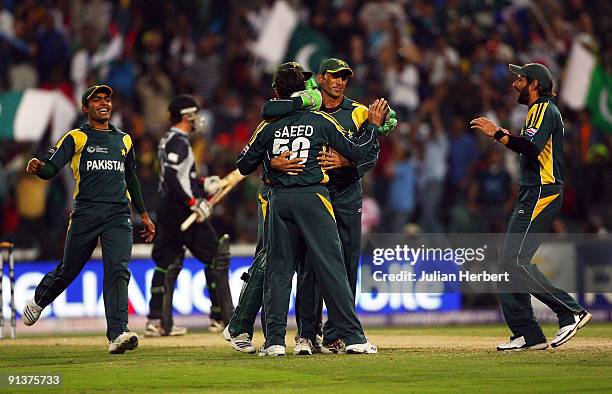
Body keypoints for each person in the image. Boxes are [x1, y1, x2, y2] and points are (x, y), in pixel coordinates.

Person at [237, 64, 389, 356]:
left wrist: (270, 162)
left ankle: (275, 343)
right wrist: (372, 125)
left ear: (277, 91)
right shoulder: (320, 121)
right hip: (313, 198)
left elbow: (243, 164)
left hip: (279, 200)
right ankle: (353, 338)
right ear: (306, 91)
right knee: (332, 267)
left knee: (279, 272)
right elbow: (358, 153)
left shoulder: (269, 125)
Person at [22, 84, 156, 354]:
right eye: (97, 100)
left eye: (107, 99)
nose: (104, 103)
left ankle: (118, 333)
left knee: (118, 270)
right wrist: (39, 168)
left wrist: (143, 214)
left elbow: (131, 178)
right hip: (86, 213)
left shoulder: (124, 140)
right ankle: (39, 299)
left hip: (118, 214)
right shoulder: (76, 137)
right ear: (86, 108)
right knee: (68, 270)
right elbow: (51, 168)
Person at [470, 63, 591, 351]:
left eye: (519, 79)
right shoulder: (538, 111)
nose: (514, 84)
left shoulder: (543, 109)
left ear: (534, 84)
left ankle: (570, 311)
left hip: (542, 191)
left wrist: (496, 133)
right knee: (507, 262)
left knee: (514, 261)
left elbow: (531, 147)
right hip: (532, 191)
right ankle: (528, 333)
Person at [146, 94, 233, 337]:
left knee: (165, 260)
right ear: (187, 117)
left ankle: (156, 321)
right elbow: (174, 178)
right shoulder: (179, 142)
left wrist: (204, 184)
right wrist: (193, 202)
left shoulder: (168, 140)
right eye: (194, 114)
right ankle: (221, 317)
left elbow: (183, 178)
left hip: (167, 205)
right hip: (179, 208)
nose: (198, 119)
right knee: (216, 256)